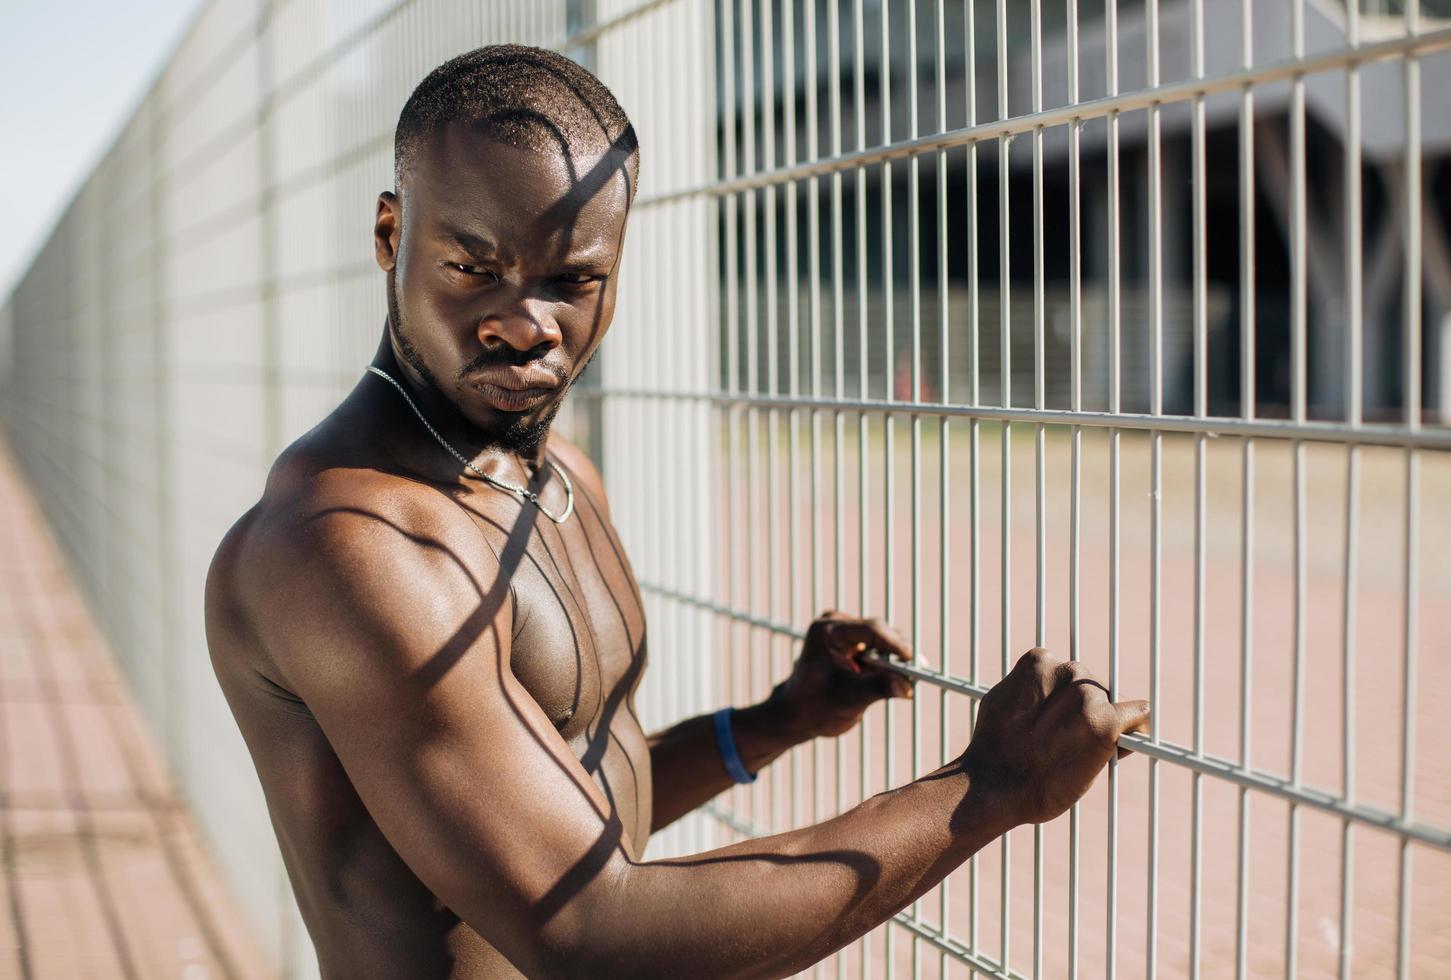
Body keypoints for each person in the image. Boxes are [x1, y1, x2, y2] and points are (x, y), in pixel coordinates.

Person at [205, 43, 1149, 979]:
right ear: (389, 235)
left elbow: (561, 800)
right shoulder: (350, 548)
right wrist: (987, 787)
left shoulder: (556, 473)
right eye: (472, 266)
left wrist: (770, 723)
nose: (526, 321)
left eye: (570, 280)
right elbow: (590, 932)